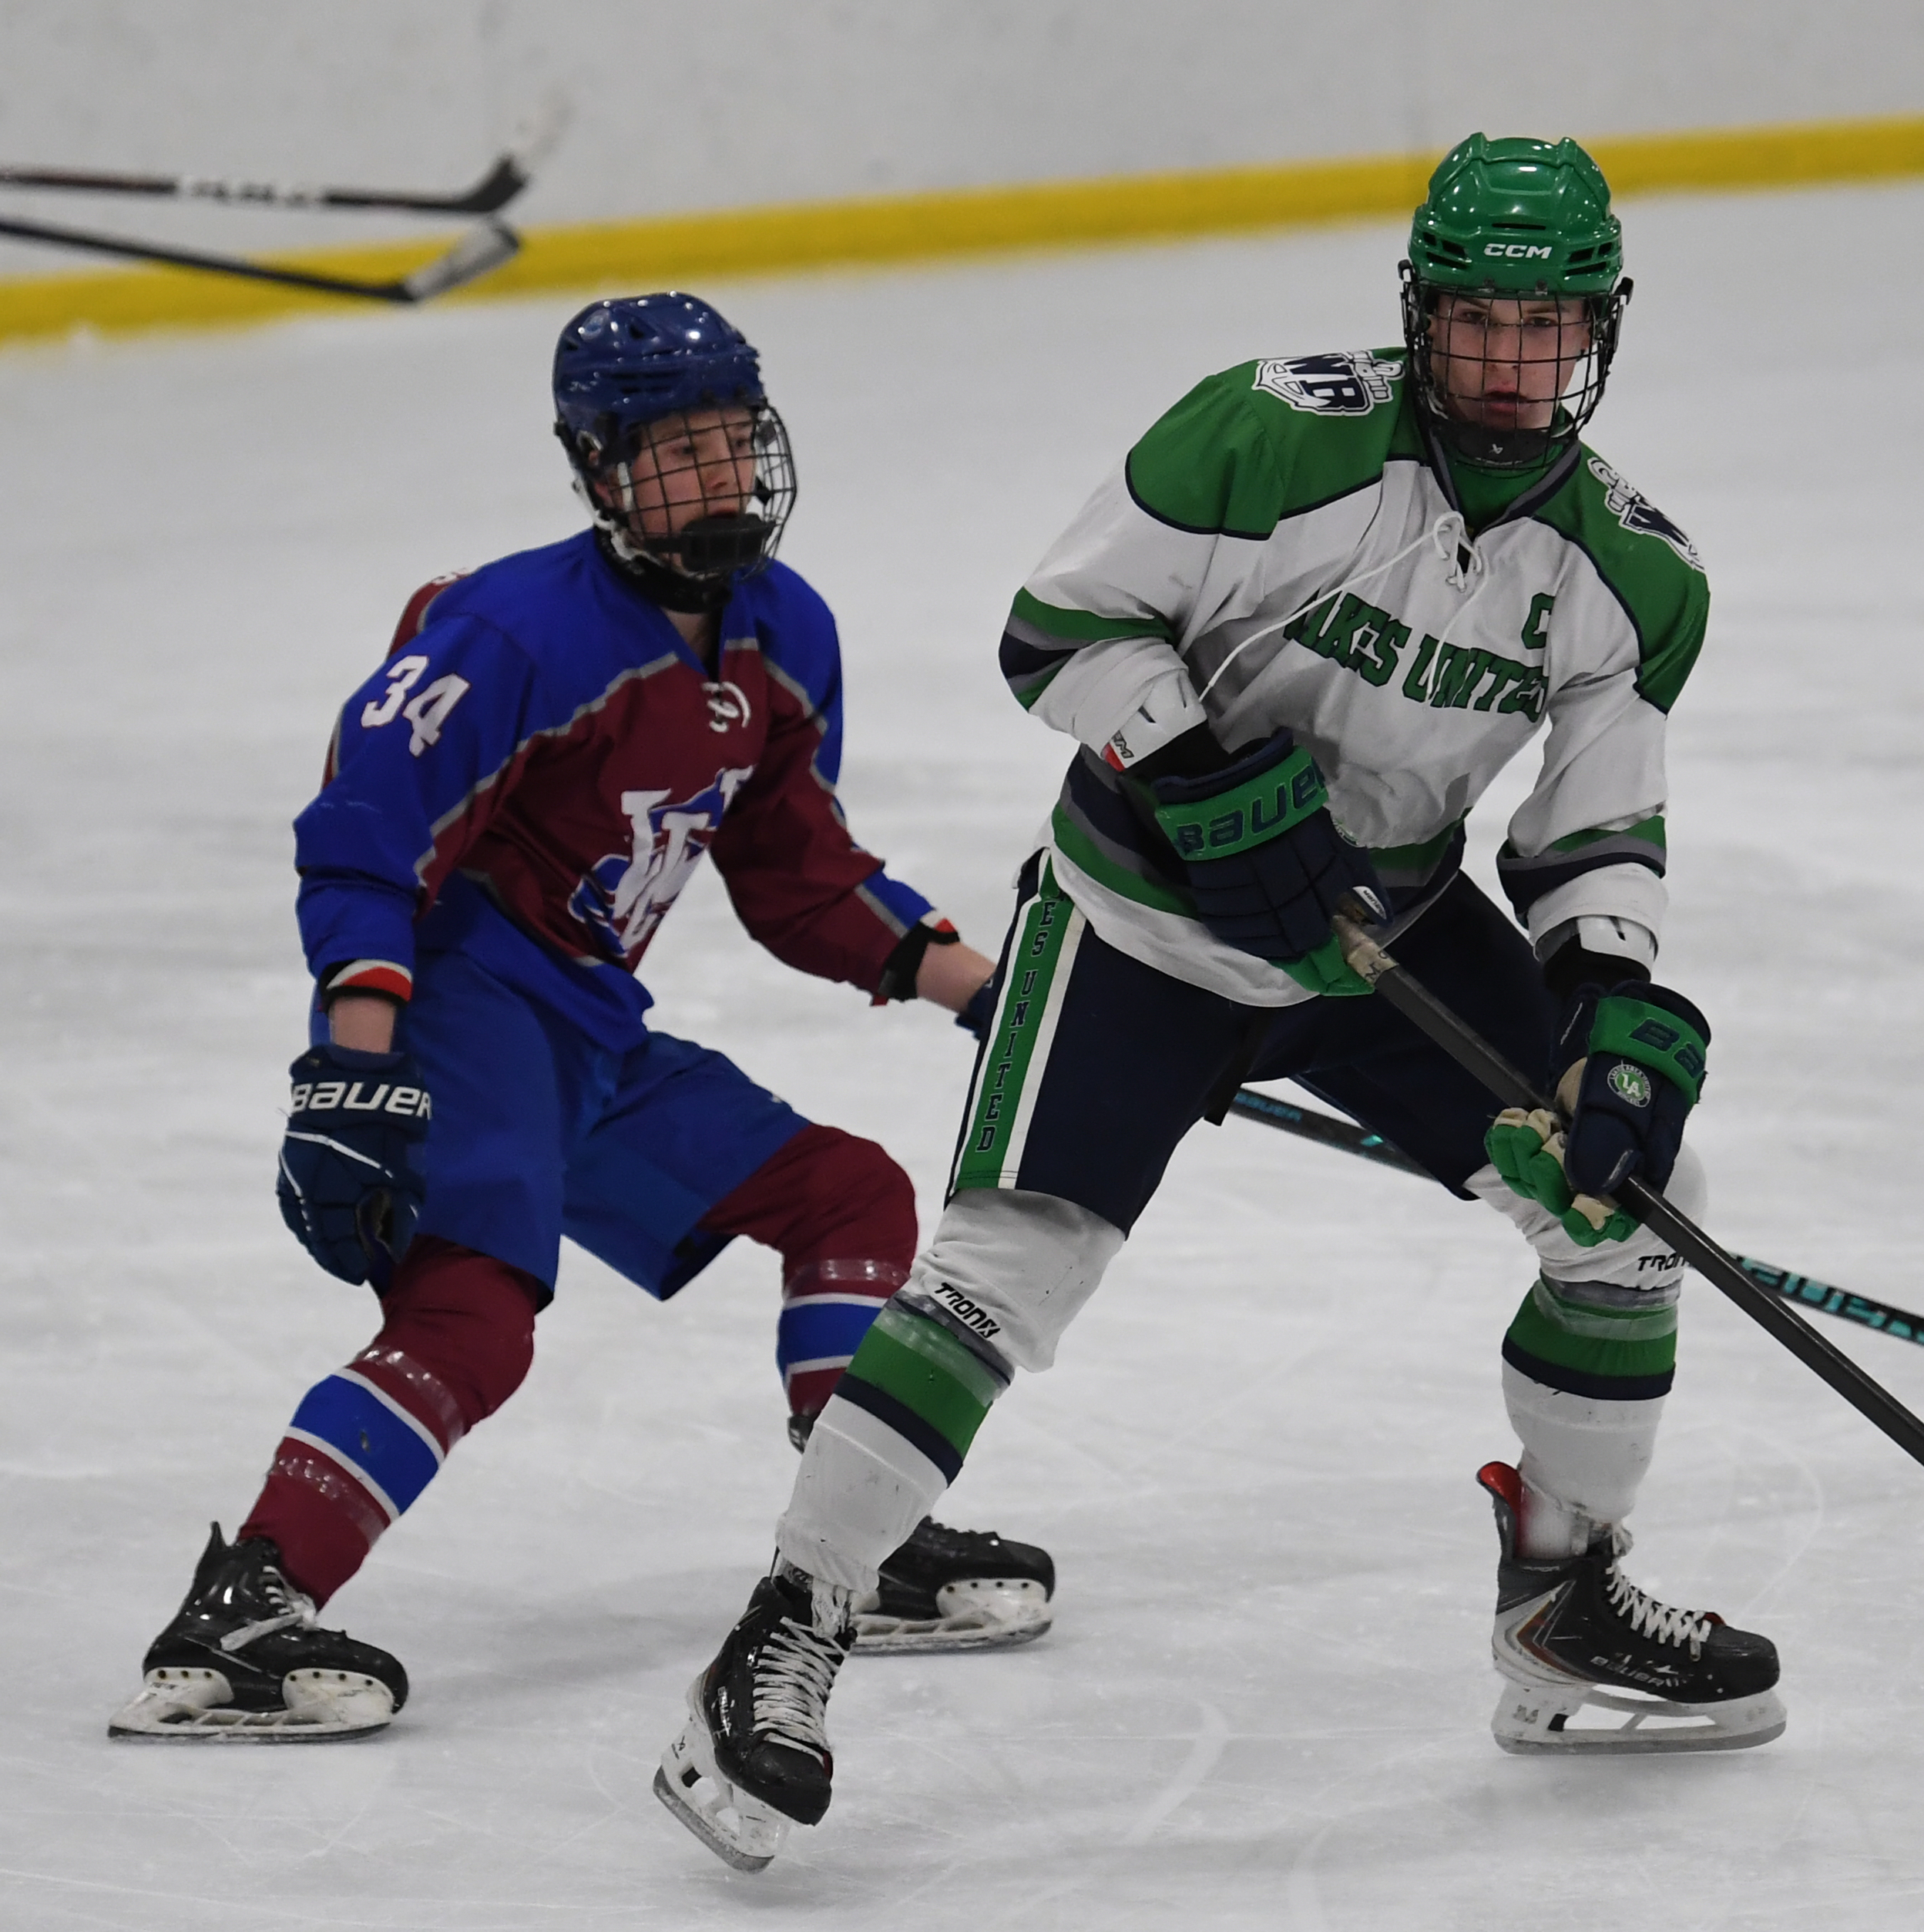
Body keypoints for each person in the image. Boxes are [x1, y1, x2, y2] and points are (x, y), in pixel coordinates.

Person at [657, 134, 1785, 1870]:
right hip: (1138, 934)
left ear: (1599, 333)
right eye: (1476, 323)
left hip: (1387, 942)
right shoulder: (1266, 431)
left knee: (1633, 1217)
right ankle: (786, 1628)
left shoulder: (1635, 574)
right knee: (997, 1282)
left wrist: (1620, 1013)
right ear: (1418, 316)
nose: (1507, 364)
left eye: (1544, 329)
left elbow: (1591, 832)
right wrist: (1192, 772)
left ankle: (1563, 1604)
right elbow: (1058, 629)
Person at [108, 293, 1056, 1744]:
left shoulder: (785, 637)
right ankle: (242, 1607)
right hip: (473, 1011)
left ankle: (858, 1550)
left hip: (590, 1032)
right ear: (599, 469)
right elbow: (367, 840)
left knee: (844, 1195)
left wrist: (986, 994)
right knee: (472, 1319)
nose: (717, 477)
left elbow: (800, 874)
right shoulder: (511, 631)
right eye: (674, 453)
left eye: (733, 440)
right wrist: (349, 1067)